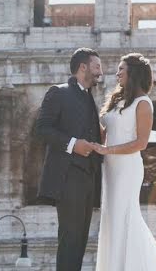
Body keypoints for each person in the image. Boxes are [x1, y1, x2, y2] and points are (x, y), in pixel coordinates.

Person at [92, 53, 156, 271]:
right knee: (111, 218)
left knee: (125, 217)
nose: (117, 73)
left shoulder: (143, 103)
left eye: (121, 69)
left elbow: (141, 143)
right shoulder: (117, 100)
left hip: (127, 168)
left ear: (133, 73)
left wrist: (108, 149)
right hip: (110, 167)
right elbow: (106, 132)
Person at [35, 47, 104, 271]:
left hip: (87, 178)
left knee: (80, 240)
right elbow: (43, 129)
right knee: (70, 239)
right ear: (82, 67)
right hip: (67, 177)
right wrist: (74, 145)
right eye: (97, 67)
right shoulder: (59, 92)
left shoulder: (89, 97)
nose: (100, 73)